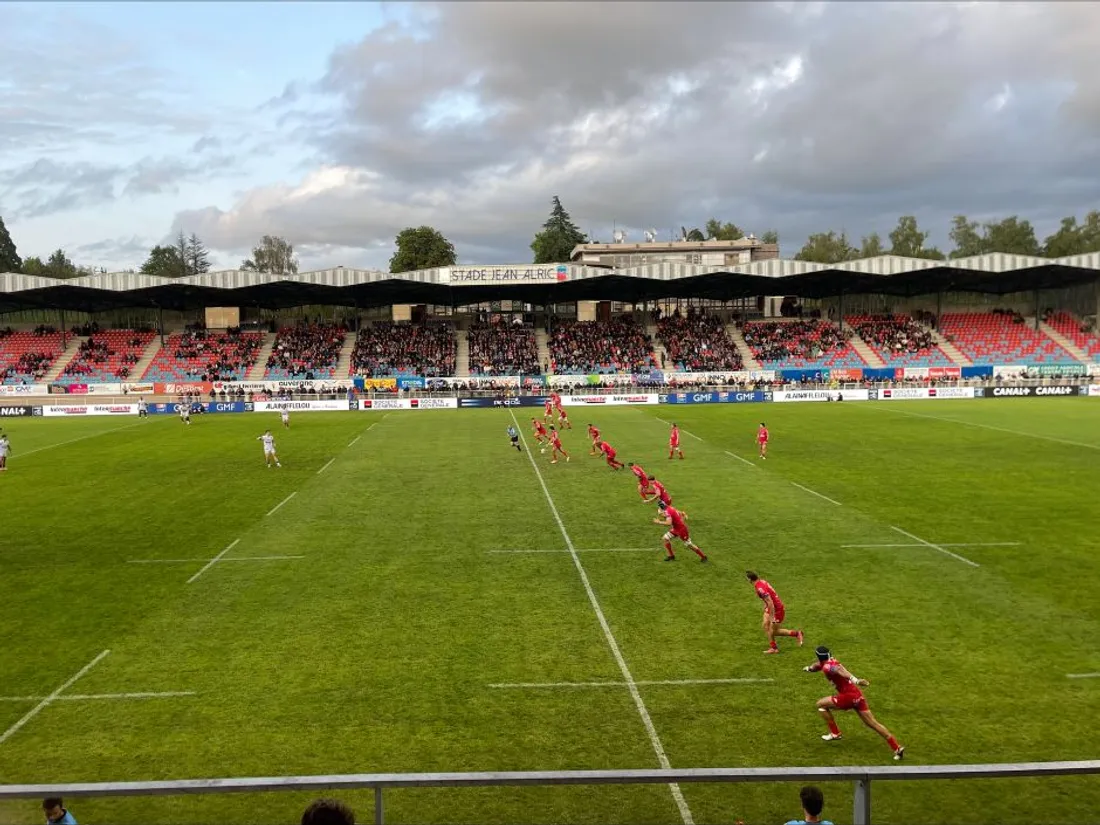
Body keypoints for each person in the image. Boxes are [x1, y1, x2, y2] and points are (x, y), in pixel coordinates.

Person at [804, 645, 905, 760]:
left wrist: (856, 680)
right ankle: (897, 747)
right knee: (873, 723)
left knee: (820, 705)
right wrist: (809, 668)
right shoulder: (830, 661)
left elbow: (838, 670)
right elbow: (818, 665)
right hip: (857, 695)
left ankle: (835, 733)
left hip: (848, 697)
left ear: (818, 656)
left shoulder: (827, 666)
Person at [746, 571, 803, 653]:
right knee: (765, 625)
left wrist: (772, 617)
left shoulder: (760, 589)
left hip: (777, 609)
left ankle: (797, 634)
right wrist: (765, 605)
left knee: (773, 631)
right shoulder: (761, 582)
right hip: (771, 607)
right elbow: (769, 597)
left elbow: (771, 603)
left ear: (749, 579)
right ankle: (774, 647)